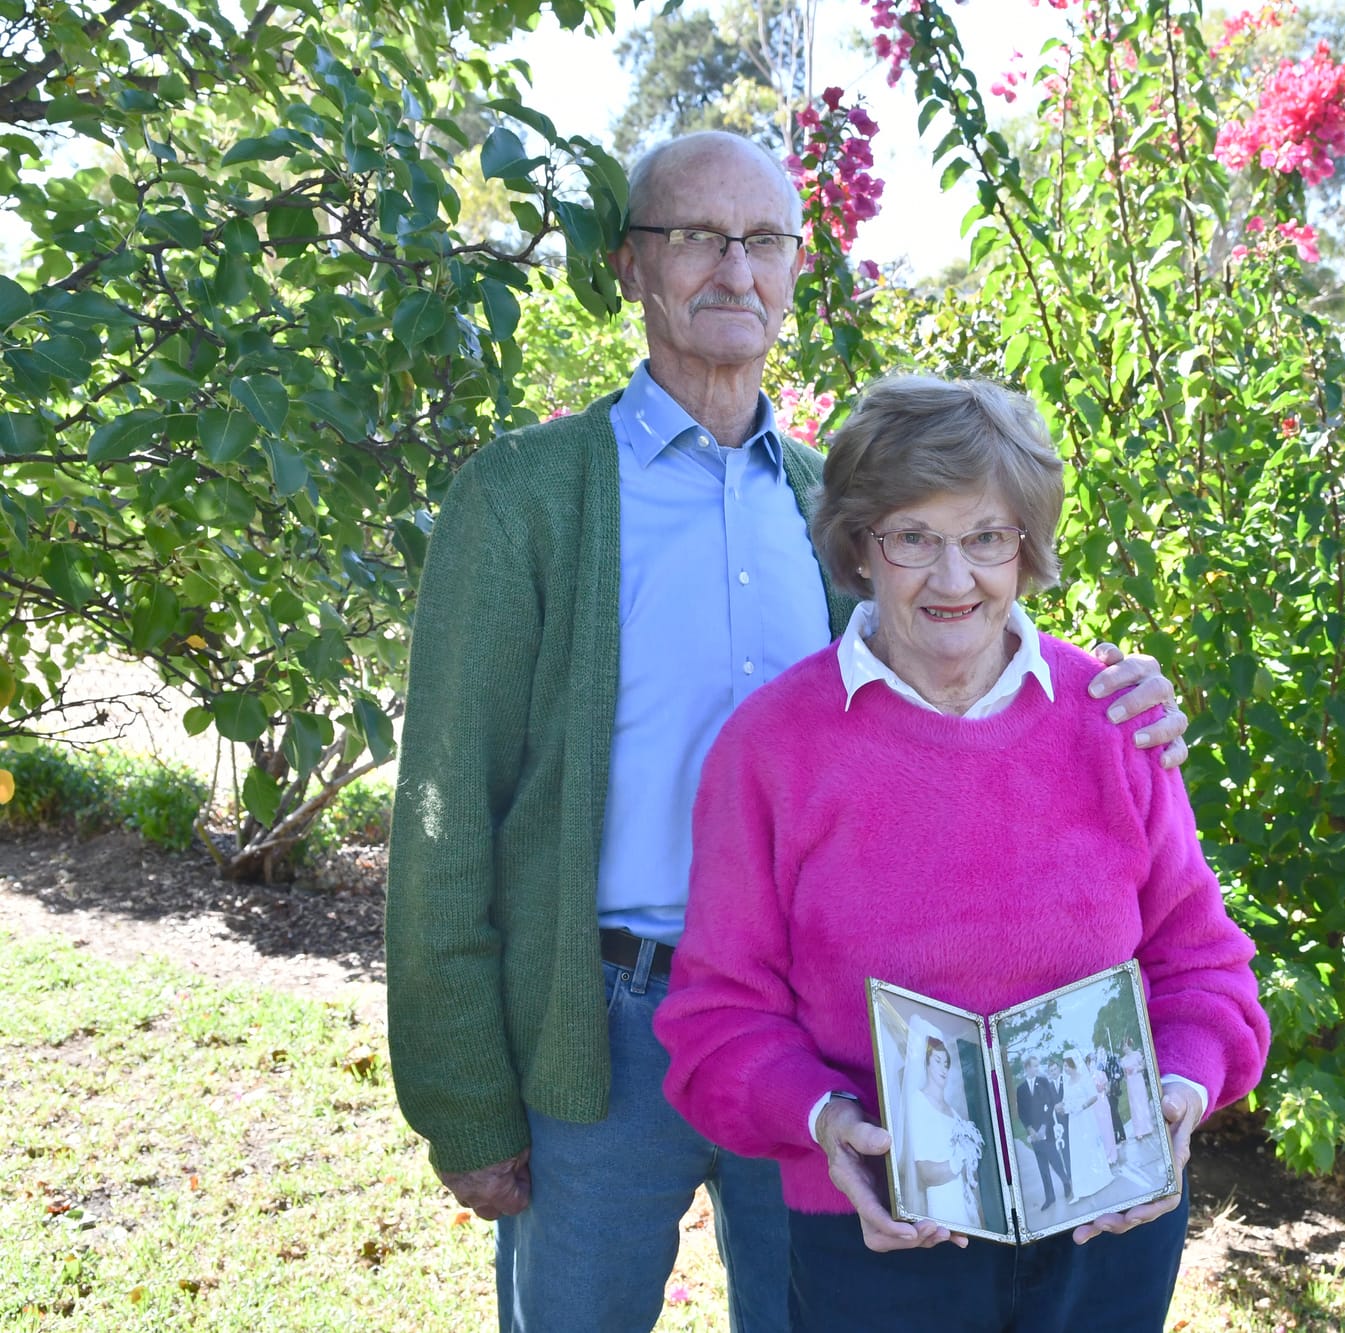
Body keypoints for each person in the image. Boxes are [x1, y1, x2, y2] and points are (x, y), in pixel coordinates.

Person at [383, 130, 1188, 1333]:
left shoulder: (837, 504)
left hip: (816, 1046)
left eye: (761, 241)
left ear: (795, 269)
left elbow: (959, 669)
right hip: (600, 1032)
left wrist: (1131, 698)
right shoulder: (525, 496)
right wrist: (463, 1098)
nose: (731, 270)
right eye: (694, 237)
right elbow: (444, 812)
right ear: (629, 267)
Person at [655, 375, 1270, 1332]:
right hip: (881, 1237)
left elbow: (1203, 965)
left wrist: (1183, 1090)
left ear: (1026, 549)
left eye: (986, 536)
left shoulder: (1112, 721)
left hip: (1105, 1233)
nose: (954, 579)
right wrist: (824, 1119)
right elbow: (718, 1016)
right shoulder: (773, 748)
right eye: (914, 537)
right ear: (861, 547)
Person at [900, 1030, 982, 1229]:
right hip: (943, 1200)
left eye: (946, 1063)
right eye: (937, 1061)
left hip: (964, 1197)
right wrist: (957, 1159)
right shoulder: (918, 1102)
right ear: (926, 1063)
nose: (943, 1068)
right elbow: (925, 1173)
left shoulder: (952, 1111)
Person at [1015, 1053, 1071, 1210]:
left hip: (1047, 1129)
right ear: (1027, 1068)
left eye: (1037, 1066)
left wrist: (1044, 1127)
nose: (1037, 1069)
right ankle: (1050, 1196)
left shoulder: (1043, 1082)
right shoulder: (1021, 1089)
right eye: (1034, 1066)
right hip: (1034, 1134)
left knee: (1054, 1159)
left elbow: (1051, 1102)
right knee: (1042, 1166)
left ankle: (1066, 1182)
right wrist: (1030, 1129)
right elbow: (1022, 1112)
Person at [1062, 1054, 1115, 1201]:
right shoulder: (1066, 1083)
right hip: (1073, 1120)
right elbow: (1066, 1100)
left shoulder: (1084, 1078)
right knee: (1079, 1149)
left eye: (1066, 1065)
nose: (1064, 1068)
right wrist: (1066, 1107)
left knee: (1091, 1145)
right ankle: (1083, 1184)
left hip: (1085, 1117)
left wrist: (1082, 1106)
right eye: (1064, 1066)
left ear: (1073, 1065)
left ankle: (1099, 1177)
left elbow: (1094, 1096)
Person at [1121, 1040, 1157, 1145]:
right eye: (1123, 1047)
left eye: (1125, 1046)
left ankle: (1148, 1127)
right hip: (1131, 1083)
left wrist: (1136, 1069)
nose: (1124, 1048)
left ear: (1129, 1045)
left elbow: (1144, 1066)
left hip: (1138, 1080)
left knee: (1142, 1102)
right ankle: (1139, 1131)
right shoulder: (1123, 1060)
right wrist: (1127, 1075)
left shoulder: (1137, 1054)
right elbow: (1124, 1075)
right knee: (1135, 1105)